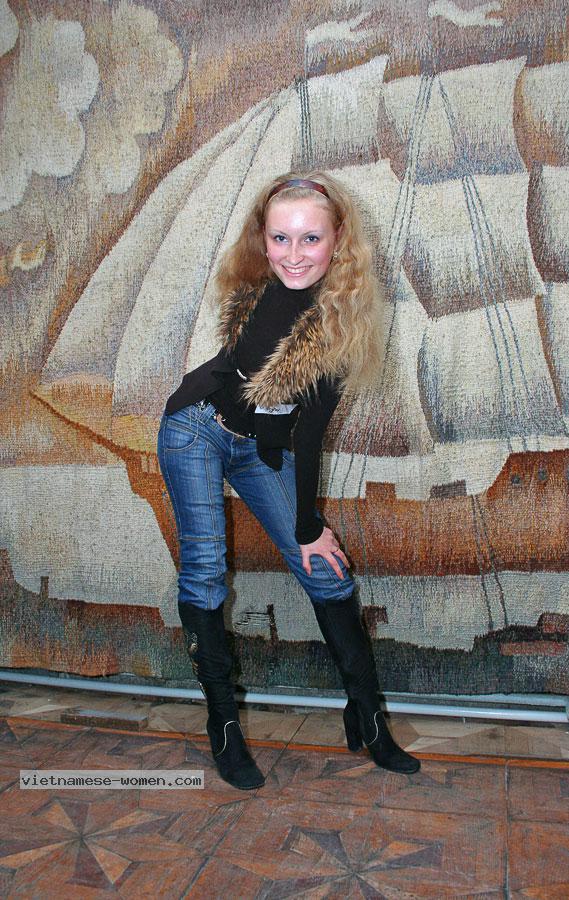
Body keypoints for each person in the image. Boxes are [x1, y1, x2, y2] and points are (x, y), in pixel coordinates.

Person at [158, 172, 420, 789]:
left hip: (260, 445)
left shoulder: (343, 317)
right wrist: (307, 524)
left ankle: (369, 718)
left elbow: (309, 430)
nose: (294, 255)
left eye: (310, 238)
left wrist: (308, 529)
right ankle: (224, 728)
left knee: (326, 570)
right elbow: (267, 390)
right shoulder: (269, 295)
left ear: (338, 240)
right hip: (197, 428)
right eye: (280, 238)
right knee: (205, 569)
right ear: (264, 239)